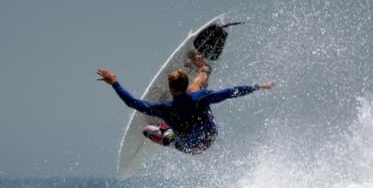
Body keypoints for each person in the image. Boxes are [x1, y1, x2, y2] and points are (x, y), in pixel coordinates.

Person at [97, 53, 276, 154]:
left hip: (192, 148)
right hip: (211, 134)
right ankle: (204, 68)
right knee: (196, 89)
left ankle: (166, 133)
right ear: (184, 83)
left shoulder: (164, 109)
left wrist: (114, 82)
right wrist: (259, 86)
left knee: (147, 130)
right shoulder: (201, 96)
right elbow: (232, 92)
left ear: (170, 87)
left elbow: (132, 103)